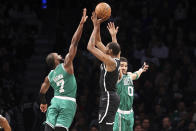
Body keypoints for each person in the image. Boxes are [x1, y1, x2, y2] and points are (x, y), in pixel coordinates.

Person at [39, 8, 88, 131]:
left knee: (48, 127)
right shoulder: (66, 65)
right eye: (58, 55)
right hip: (68, 102)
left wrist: (43, 102)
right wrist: (81, 24)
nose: (60, 55)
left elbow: (42, 92)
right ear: (55, 60)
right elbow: (74, 42)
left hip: (55, 101)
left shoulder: (49, 76)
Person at [87, 12, 121, 131]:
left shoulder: (110, 61)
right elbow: (97, 41)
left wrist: (97, 26)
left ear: (110, 51)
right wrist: (95, 24)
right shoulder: (115, 57)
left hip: (109, 96)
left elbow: (90, 47)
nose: (104, 47)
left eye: (106, 47)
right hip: (110, 96)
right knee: (105, 127)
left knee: (104, 127)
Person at [113, 57, 149, 131]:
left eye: (126, 66)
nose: (124, 68)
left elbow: (136, 75)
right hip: (120, 113)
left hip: (130, 113)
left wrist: (141, 69)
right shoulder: (117, 77)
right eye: (122, 65)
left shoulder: (129, 75)